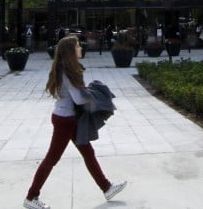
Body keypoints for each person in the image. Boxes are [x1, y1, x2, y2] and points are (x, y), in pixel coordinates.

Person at [24, 36, 127, 209]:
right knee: (52, 158)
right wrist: (95, 93)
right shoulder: (67, 72)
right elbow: (79, 99)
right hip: (65, 121)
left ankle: (106, 187)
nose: (80, 48)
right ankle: (31, 197)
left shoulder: (66, 69)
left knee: (88, 152)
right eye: (78, 46)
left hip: (68, 118)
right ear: (71, 51)